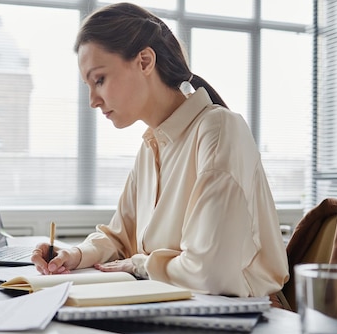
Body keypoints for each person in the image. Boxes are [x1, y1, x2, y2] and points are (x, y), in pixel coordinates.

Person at [31, 2, 289, 297]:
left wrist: (140, 264)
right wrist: (75, 255)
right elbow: (118, 238)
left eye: (99, 80)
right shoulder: (151, 146)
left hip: (247, 321)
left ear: (144, 61)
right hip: (181, 307)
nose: (93, 100)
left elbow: (209, 271)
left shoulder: (218, 130)